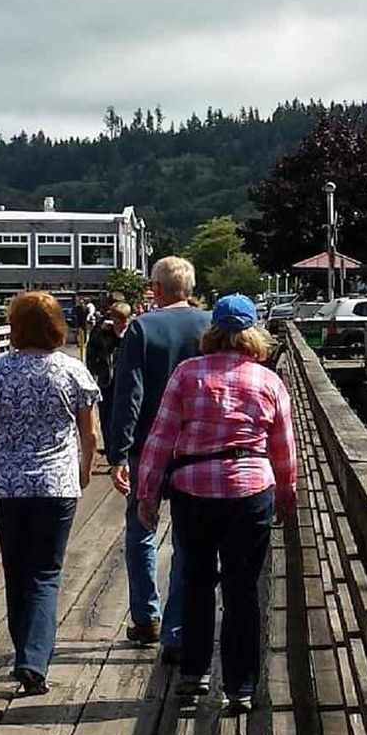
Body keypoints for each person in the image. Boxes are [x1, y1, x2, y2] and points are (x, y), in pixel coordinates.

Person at [136, 294, 297, 713]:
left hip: (194, 491)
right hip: (250, 491)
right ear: (253, 333)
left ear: (213, 331)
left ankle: (194, 676)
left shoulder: (187, 373)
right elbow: (283, 448)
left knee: (197, 581)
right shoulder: (268, 381)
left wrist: (147, 494)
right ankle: (241, 687)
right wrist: (285, 493)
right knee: (243, 591)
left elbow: (161, 438)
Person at [0, 291, 99, 696]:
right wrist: (83, 468)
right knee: (46, 573)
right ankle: (33, 660)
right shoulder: (73, 370)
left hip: (9, 486)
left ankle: (24, 654)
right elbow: (90, 431)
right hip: (56, 486)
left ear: (16, 327)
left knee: (16, 570)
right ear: (56, 326)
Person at [109, 256, 210, 660]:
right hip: (197, 447)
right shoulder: (209, 326)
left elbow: (128, 394)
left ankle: (145, 615)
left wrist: (118, 451)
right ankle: (178, 626)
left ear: (158, 289)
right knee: (188, 538)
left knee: (141, 529)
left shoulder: (142, 327)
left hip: (147, 446)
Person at [85, 302, 132, 452]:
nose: (122, 325)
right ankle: (111, 450)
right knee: (107, 419)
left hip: (128, 384)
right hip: (107, 382)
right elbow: (91, 355)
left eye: (125, 321)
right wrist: (94, 373)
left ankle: (123, 450)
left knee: (126, 418)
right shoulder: (101, 334)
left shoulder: (133, 334)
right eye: (119, 321)